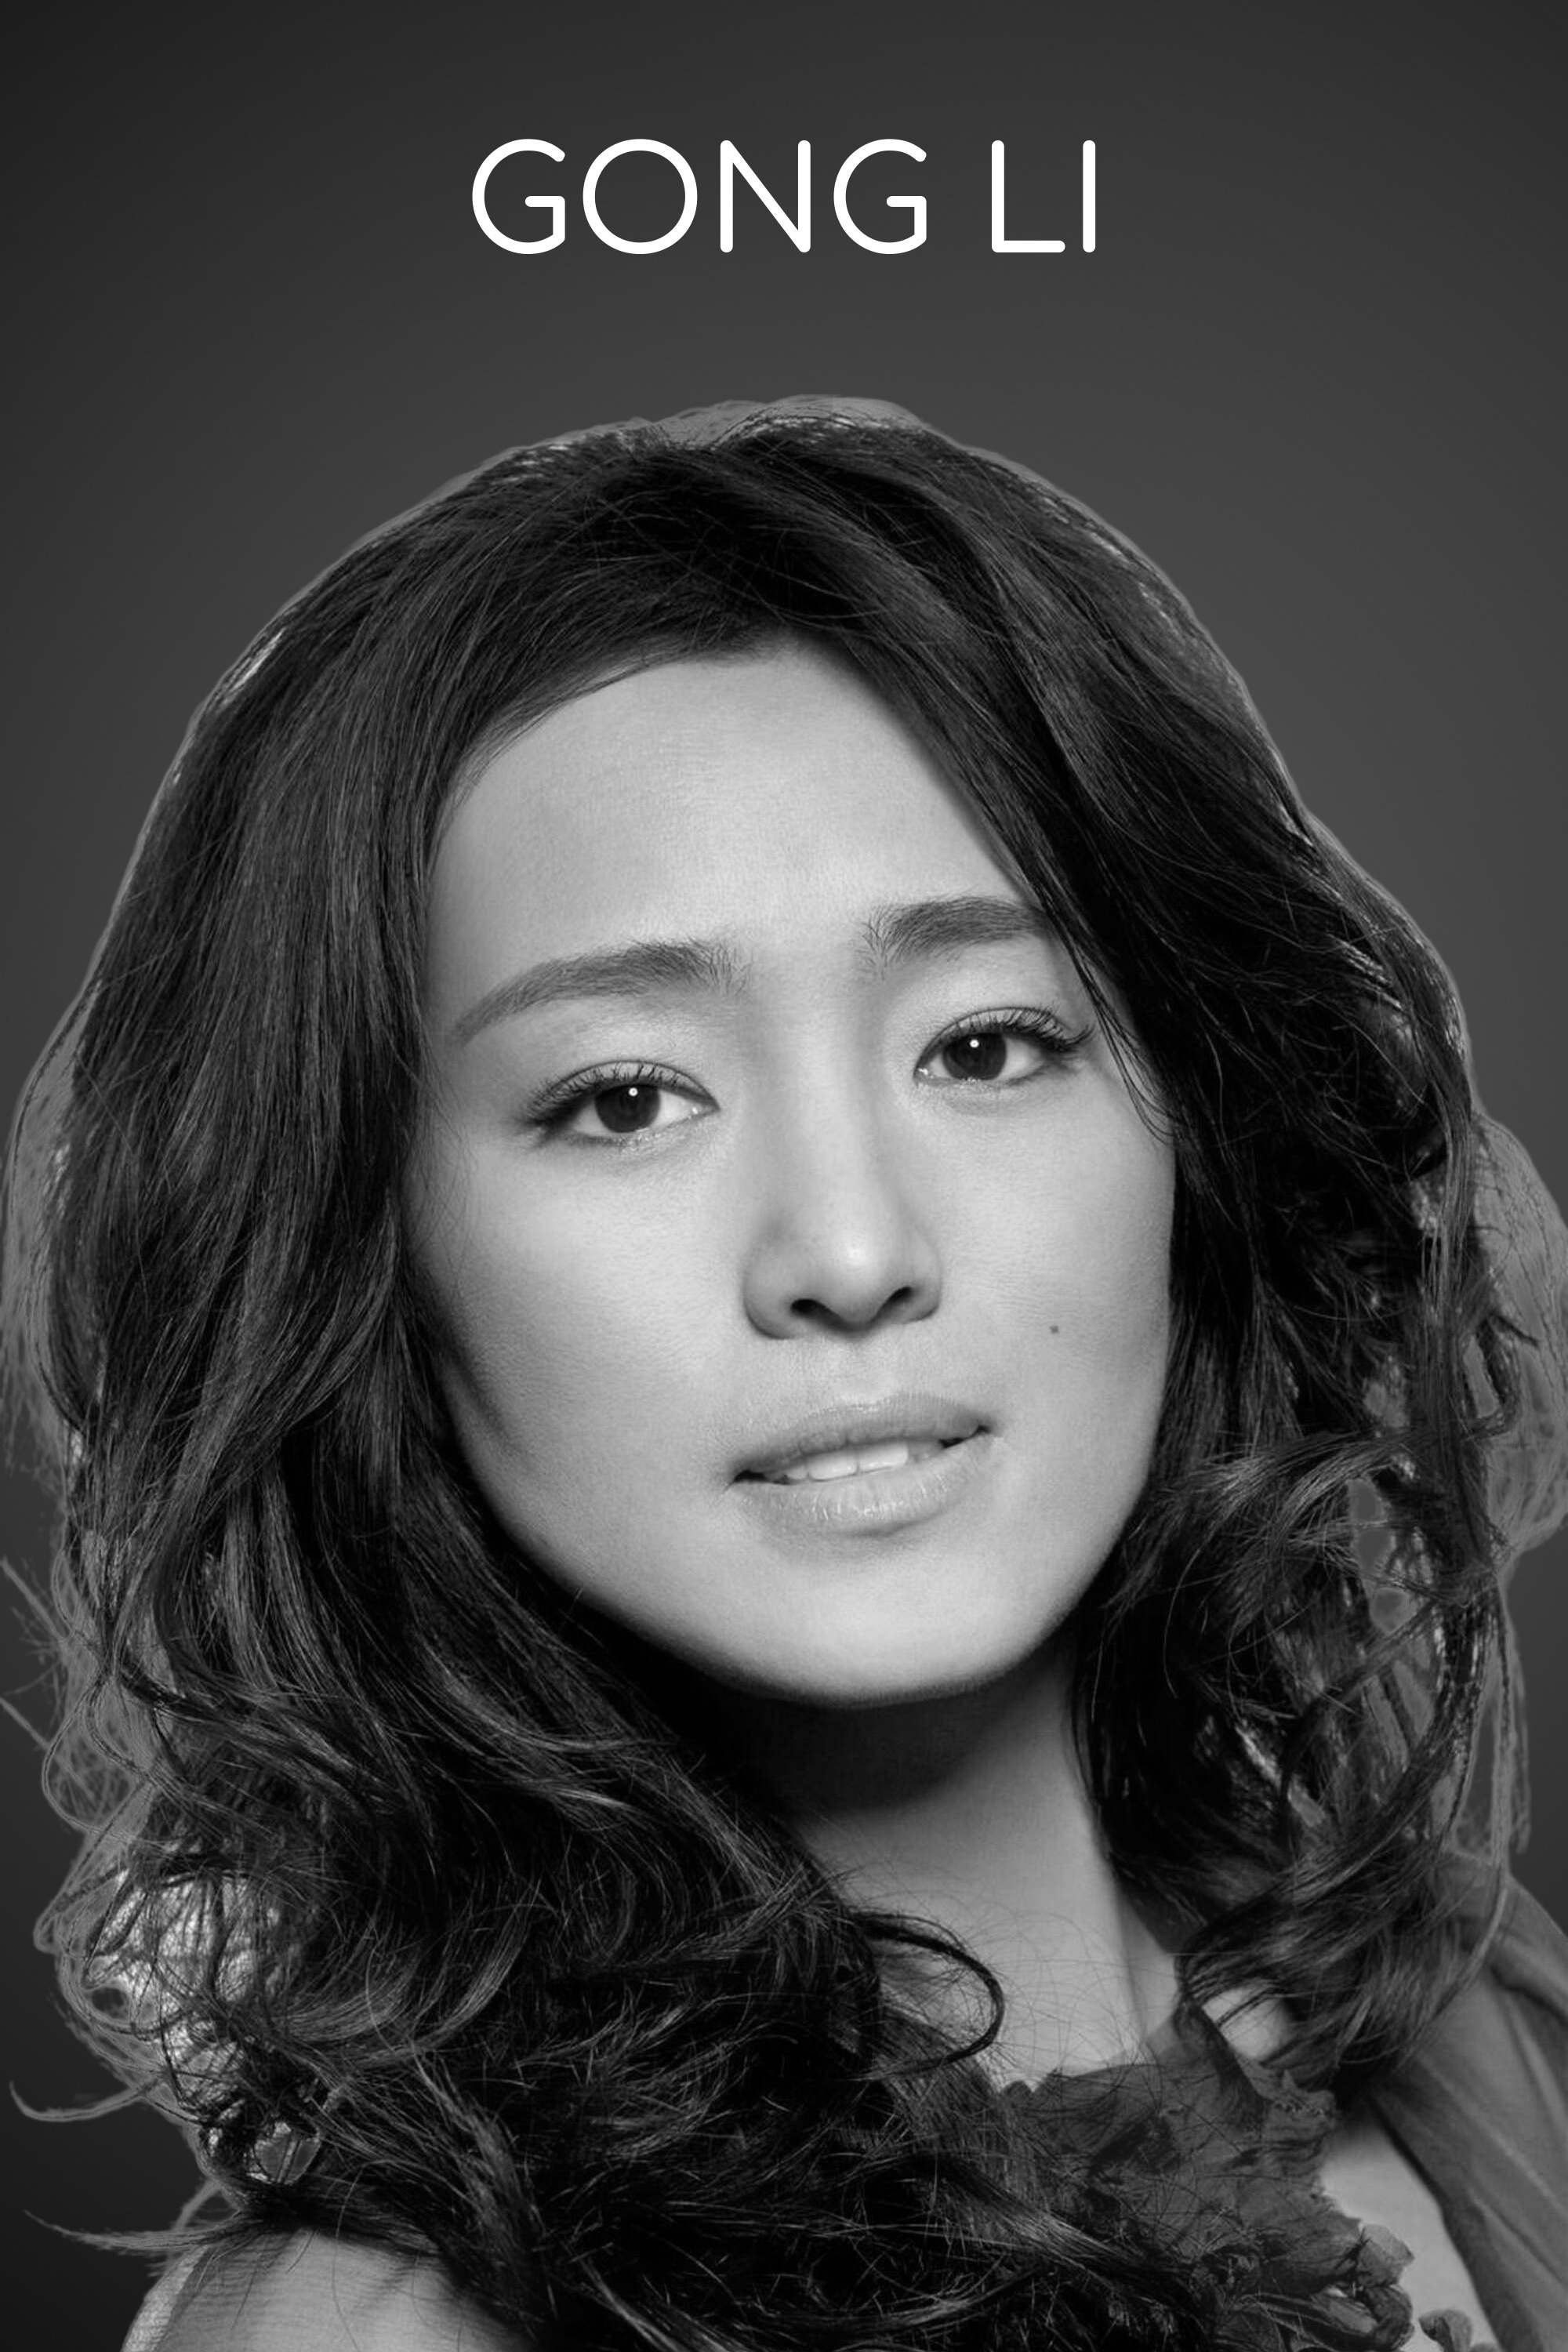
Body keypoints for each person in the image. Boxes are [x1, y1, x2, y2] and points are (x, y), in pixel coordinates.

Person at [5, 397, 1566, 2351]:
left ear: (1206, 1137)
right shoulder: (389, 2331)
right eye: (623, 1097)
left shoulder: (1500, 2057)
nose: (846, 1250)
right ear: (367, 1256)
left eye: (986, 1046)